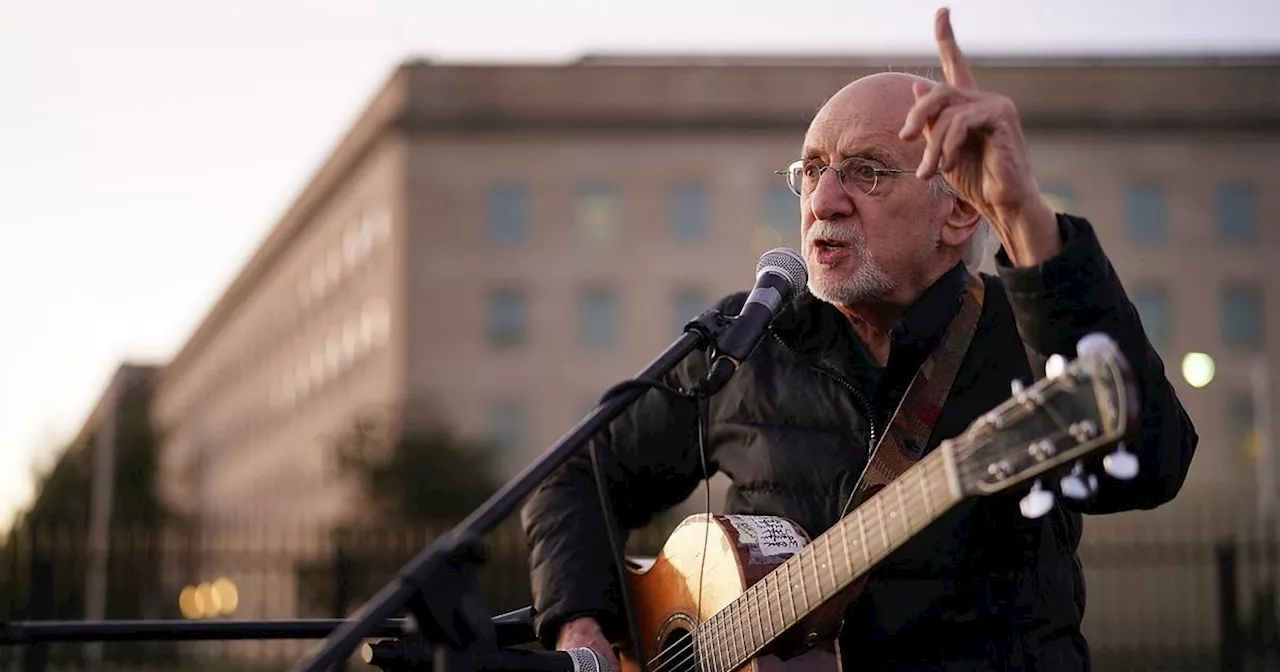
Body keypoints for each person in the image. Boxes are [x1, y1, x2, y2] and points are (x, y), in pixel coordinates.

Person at [520, 8, 1198, 671]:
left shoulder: (1027, 332)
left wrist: (1025, 217)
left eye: (866, 172)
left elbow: (1154, 459)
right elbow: (575, 472)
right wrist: (584, 624)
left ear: (959, 210)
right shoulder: (748, 339)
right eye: (812, 170)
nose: (823, 202)